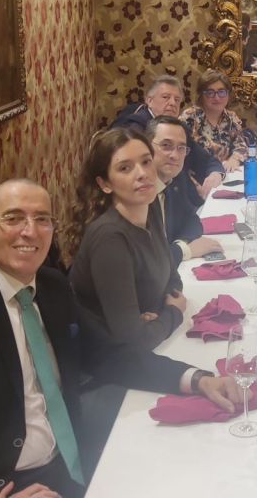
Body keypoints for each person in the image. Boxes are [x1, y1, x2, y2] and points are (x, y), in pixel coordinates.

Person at [0, 179, 243, 498]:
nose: (30, 231)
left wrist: (196, 378)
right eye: (13, 218)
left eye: (42, 219)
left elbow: (108, 354)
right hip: (1, 483)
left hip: (70, 462)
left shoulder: (52, 287)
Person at [62, 129, 186, 350]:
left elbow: (173, 281)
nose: (142, 174)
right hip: (108, 360)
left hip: (153, 343)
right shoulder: (110, 238)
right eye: (125, 168)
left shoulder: (150, 207)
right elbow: (134, 339)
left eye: (146, 162)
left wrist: (155, 319)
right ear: (105, 184)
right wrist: (173, 313)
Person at [111, 75, 224, 197]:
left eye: (177, 99)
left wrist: (215, 174)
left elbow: (205, 160)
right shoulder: (134, 131)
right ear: (149, 100)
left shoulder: (178, 129)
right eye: (166, 97)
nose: (172, 103)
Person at [146, 116, 224, 263]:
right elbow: (144, 262)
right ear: (146, 147)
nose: (175, 155)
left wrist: (179, 245)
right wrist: (184, 251)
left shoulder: (176, 179)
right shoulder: (137, 193)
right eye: (166, 145)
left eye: (181, 148)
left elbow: (192, 222)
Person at [180, 71, 248, 172]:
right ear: (201, 95)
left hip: (226, 173)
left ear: (228, 94)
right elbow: (180, 152)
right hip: (198, 175)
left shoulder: (232, 117)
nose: (217, 97)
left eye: (221, 92)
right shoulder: (189, 117)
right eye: (210, 93)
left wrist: (234, 160)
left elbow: (241, 146)